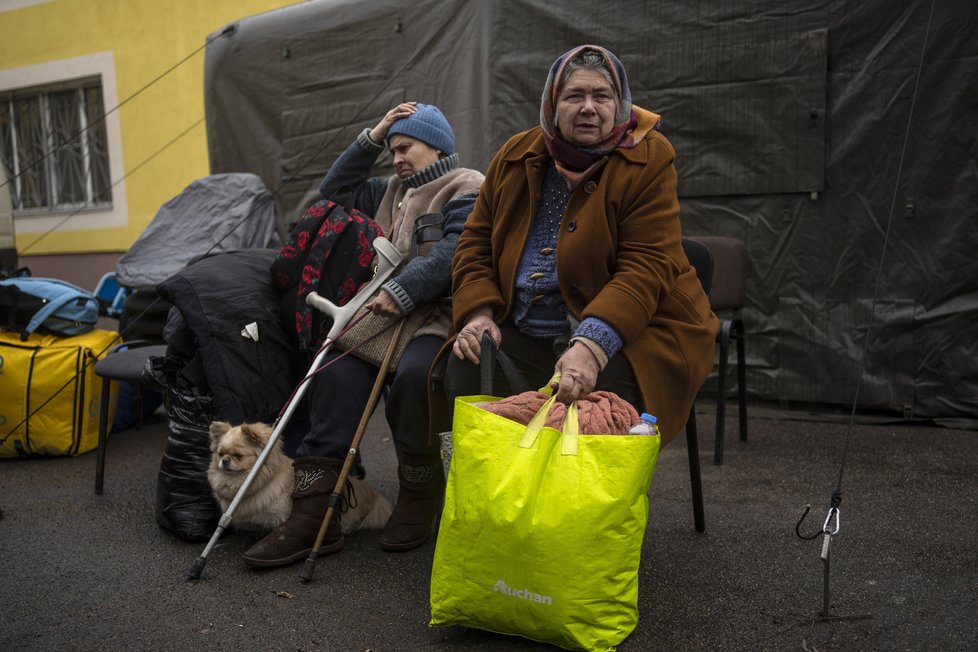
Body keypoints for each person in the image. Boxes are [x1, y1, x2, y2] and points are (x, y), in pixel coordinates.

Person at [244, 102, 484, 568]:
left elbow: (459, 250)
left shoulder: (467, 185)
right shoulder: (388, 189)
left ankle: (419, 491)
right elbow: (335, 191)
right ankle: (315, 512)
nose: (397, 158)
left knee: (416, 381)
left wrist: (404, 289)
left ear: (436, 144)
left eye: (405, 147)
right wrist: (372, 137)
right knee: (335, 372)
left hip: (437, 313)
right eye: (391, 150)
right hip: (380, 311)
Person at [442, 45, 717, 444]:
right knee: (465, 367)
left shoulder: (649, 157)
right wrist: (479, 312)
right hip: (524, 323)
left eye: (601, 96)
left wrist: (591, 346)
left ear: (619, 103)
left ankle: (579, 505)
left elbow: (646, 265)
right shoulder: (516, 155)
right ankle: (490, 499)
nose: (589, 107)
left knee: (603, 409)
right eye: (574, 96)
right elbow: (475, 241)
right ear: (553, 104)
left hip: (634, 329)